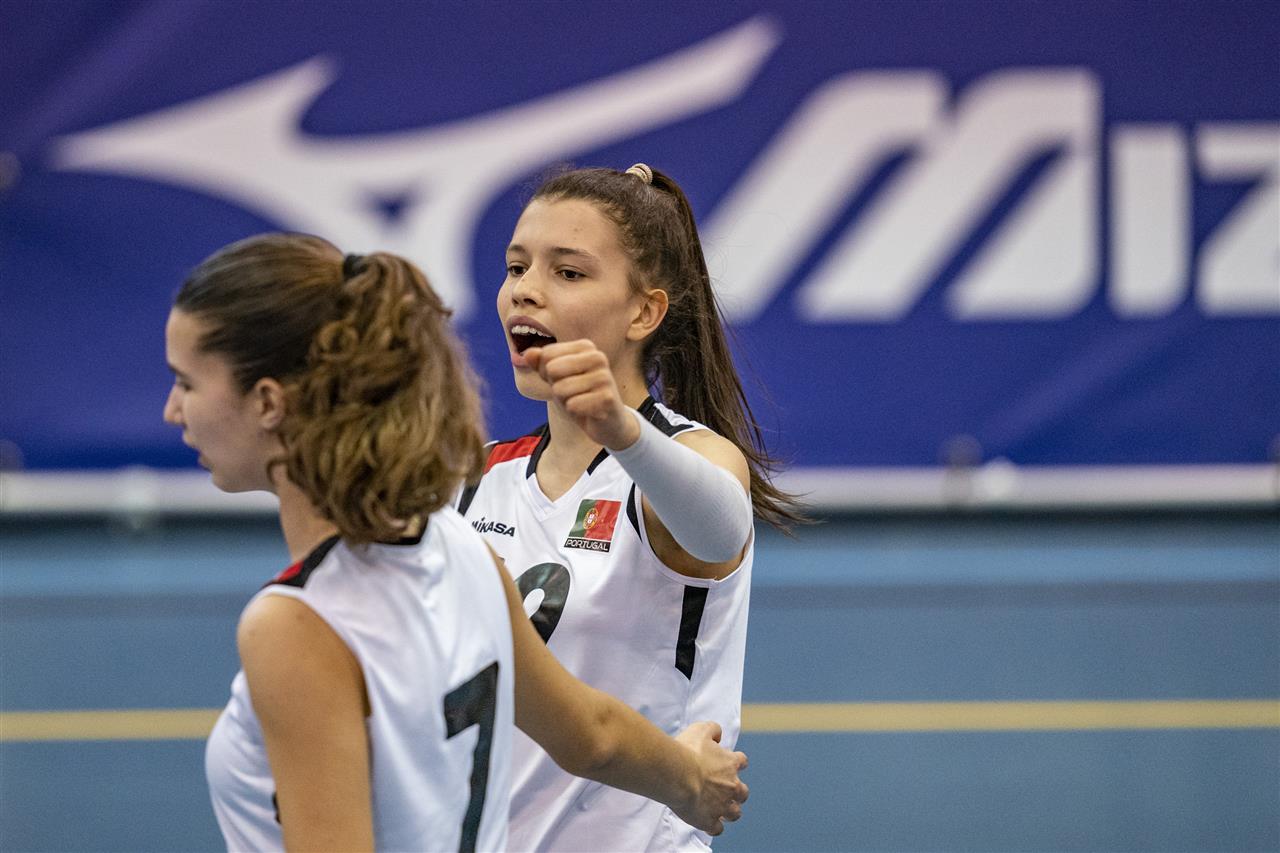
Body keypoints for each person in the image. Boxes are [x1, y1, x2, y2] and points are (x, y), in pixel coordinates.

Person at [162, 233, 748, 852]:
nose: (174, 409)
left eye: (187, 383)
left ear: (268, 402)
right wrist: (689, 778)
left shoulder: (294, 623)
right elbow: (590, 734)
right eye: (515, 266)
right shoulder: (464, 550)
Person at [459, 163, 803, 851]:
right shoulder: (477, 478)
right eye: (517, 266)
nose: (525, 289)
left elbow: (719, 528)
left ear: (644, 312)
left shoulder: (690, 460)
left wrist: (623, 430)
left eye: (568, 272)